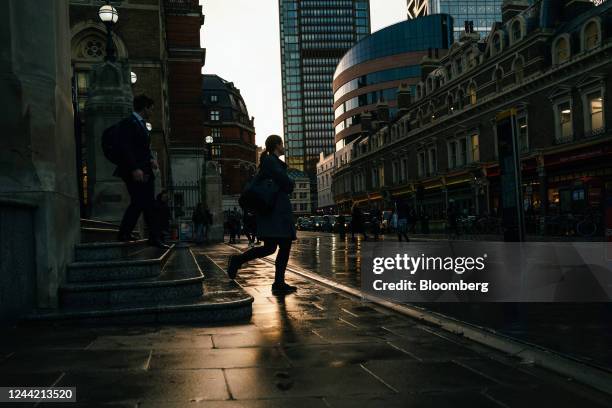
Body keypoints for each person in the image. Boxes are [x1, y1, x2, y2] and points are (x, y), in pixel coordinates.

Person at [226, 135, 297, 295]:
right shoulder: (271, 161)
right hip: (275, 213)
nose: (283, 146)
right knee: (283, 245)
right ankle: (278, 282)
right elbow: (286, 183)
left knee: (270, 247)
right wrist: (290, 182)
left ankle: (239, 261)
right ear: (277, 145)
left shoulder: (270, 161)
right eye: (282, 144)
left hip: (273, 212)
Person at [114, 94, 168, 248]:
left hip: (144, 169)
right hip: (137, 172)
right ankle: (152, 237)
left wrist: (151, 158)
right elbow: (125, 148)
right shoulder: (129, 123)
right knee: (146, 204)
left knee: (141, 203)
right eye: (151, 108)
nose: (152, 111)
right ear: (145, 108)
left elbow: (142, 148)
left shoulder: (141, 124)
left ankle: (126, 232)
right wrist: (134, 168)